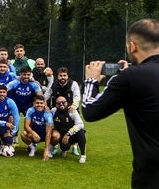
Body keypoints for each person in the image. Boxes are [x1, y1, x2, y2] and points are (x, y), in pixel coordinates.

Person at [83, 18, 159, 188]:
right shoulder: (132, 75)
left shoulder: (129, 78)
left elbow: (90, 110)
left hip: (151, 178)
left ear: (132, 46)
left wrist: (90, 81)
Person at [51, 96, 86, 163]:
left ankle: (83, 155)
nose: (61, 104)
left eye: (63, 102)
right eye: (59, 103)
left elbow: (80, 124)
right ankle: (62, 149)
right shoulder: (53, 111)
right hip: (61, 137)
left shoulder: (72, 111)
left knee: (81, 132)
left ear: (67, 103)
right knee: (64, 147)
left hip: (71, 135)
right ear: (55, 104)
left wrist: (69, 133)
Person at [20, 95, 52, 160]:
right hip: (35, 134)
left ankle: (48, 149)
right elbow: (26, 125)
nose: (39, 105)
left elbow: (48, 132)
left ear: (44, 104)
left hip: (45, 134)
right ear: (34, 103)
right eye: (37, 103)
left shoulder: (48, 114)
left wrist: (45, 149)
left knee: (56, 136)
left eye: (41, 103)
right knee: (23, 134)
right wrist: (33, 133)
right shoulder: (30, 110)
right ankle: (32, 147)